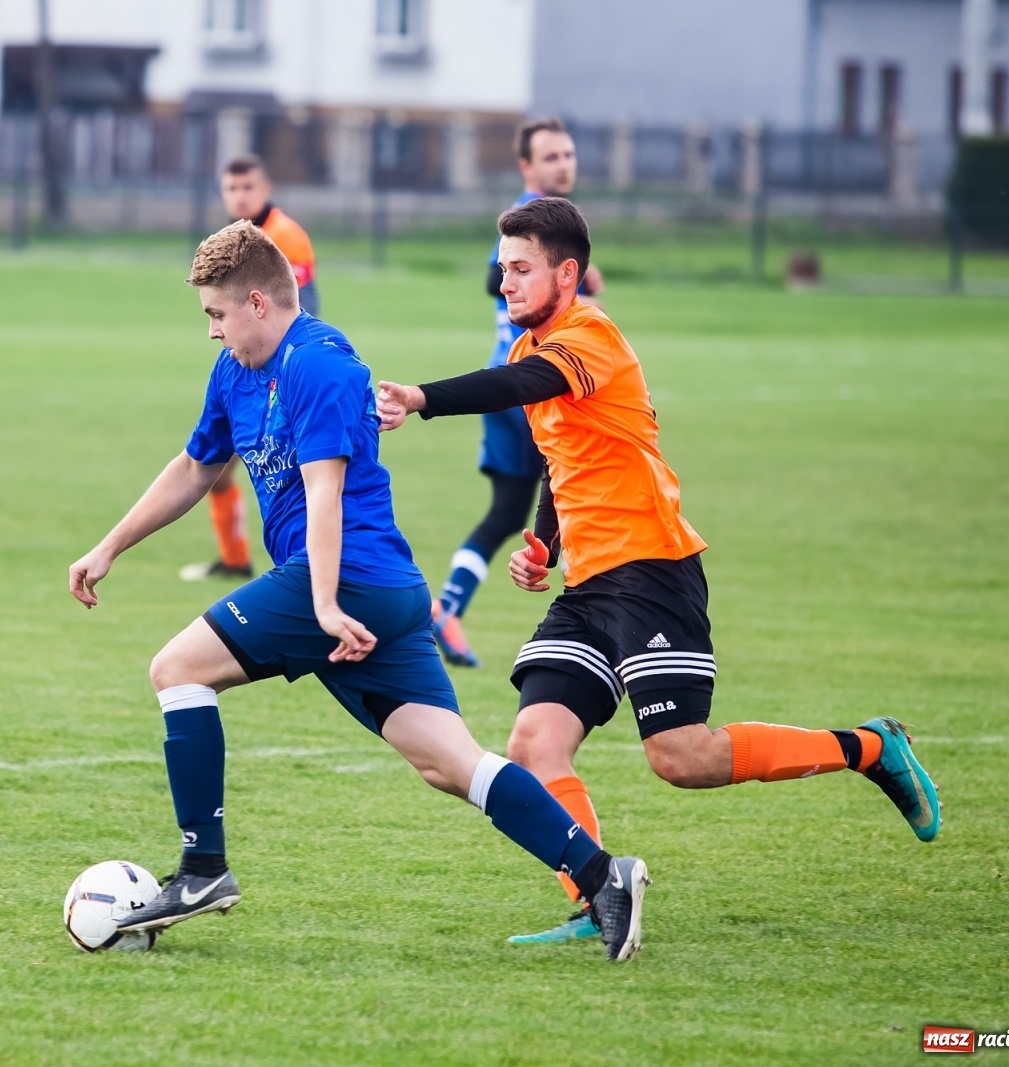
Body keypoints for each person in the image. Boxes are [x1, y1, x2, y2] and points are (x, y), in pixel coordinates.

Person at [69, 220, 650, 961]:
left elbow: (325, 490)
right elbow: (194, 467)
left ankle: (203, 868)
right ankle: (603, 875)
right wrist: (108, 545)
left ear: (256, 301)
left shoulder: (321, 366)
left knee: (177, 669)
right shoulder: (237, 371)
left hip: (351, 582)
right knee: (450, 761)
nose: (212, 332)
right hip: (369, 591)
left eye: (216, 315)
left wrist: (321, 604)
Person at [377, 197, 941, 944]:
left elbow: (519, 390)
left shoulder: (591, 336)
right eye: (500, 269)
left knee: (681, 757)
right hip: (588, 585)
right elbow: (560, 458)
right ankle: (597, 894)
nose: (504, 283)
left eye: (520, 269)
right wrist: (545, 543)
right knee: (533, 744)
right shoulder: (528, 351)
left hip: (651, 569)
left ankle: (870, 746)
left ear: (566, 272)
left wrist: (420, 399)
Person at [432, 118, 603, 669]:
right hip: (530, 387)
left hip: (512, 382)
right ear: (527, 166)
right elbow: (491, 280)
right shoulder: (528, 217)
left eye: (569, 154)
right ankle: (596, 631)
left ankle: (447, 607)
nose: (564, 165)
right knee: (576, 495)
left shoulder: (553, 225)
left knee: (509, 511)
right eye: (551, 156)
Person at [179, 155, 320, 584]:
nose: (239, 197)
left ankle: (311, 570)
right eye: (231, 189)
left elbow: (295, 312)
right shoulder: (232, 241)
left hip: (281, 378)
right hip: (247, 373)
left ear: (265, 188)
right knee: (215, 469)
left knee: (299, 479)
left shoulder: (284, 239)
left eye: (247, 188)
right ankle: (237, 559)